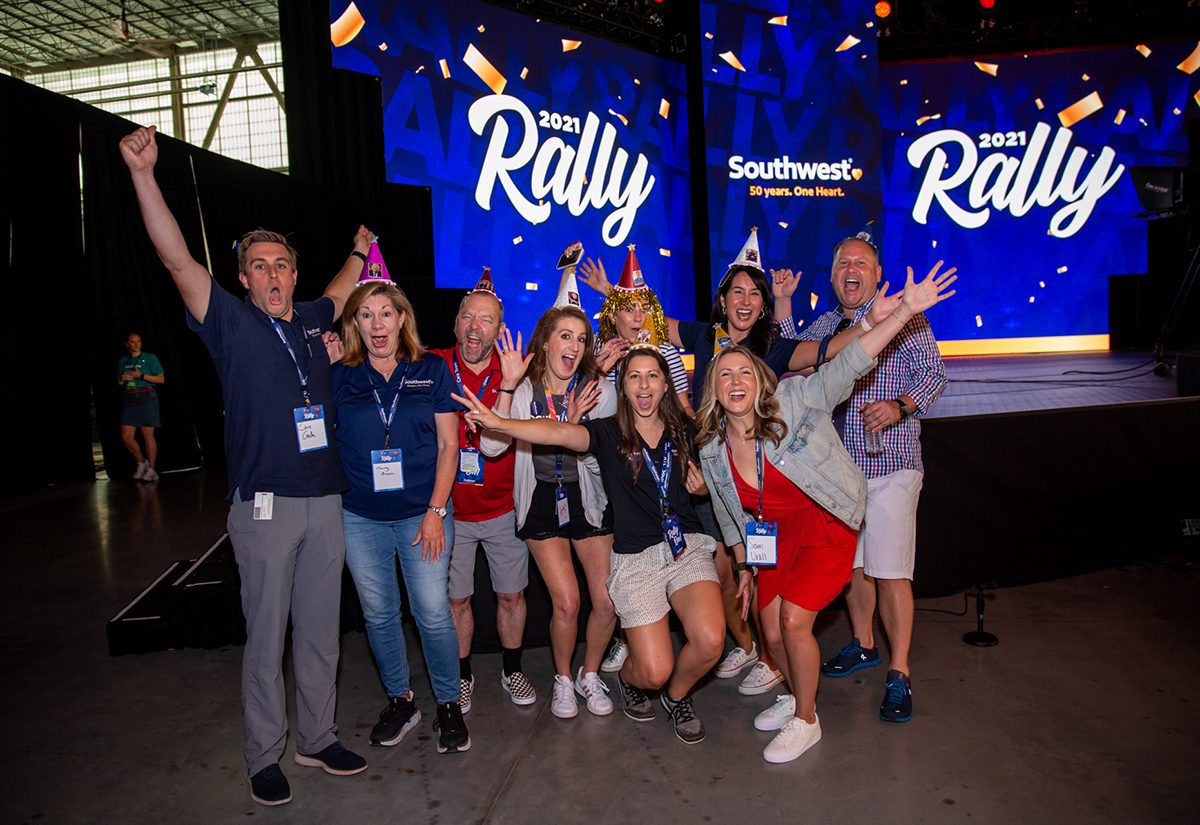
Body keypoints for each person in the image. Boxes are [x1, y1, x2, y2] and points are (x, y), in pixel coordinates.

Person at [119, 124, 367, 807]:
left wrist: (359, 246)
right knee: (267, 637)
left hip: (326, 501)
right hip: (263, 508)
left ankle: (317, 738)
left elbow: (345, 288)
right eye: (258, 265)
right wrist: (144, 176)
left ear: (293, 271)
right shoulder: (226, 321)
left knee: (320, 632)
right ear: (242, 277)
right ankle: (265, 752)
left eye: (281, 263)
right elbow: (175, 259)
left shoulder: (314, 318)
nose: (272, 274)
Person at [579, 228, 894, 697]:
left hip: (759, 480)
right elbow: (654, 322)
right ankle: (734, 644)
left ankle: (764, 655)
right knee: (727, 568)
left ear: (763, 306)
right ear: (723, 300)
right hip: (706, 468)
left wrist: (872, 325)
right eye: (736, 292)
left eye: (754, 294)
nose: (745, 301)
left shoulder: (775, 346)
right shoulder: (707, 336)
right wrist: (613, 295)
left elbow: (831, 354)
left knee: (750, 571)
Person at [696, 261, 957, 762]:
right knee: (770, 633)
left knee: (794, 622)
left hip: (826, 522)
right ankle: (796, 694)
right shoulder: (712, 447)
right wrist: (747, 564)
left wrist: (902, 312)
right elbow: (733, 514)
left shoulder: (795, 399)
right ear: (713, 387)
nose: (734, 380)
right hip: (774, 536)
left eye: (743, 372)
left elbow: (849, 362)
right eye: (723, 373)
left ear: (760, 380)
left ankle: (806, 720)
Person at [457, 346, 724, 744]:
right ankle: (632, 683)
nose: (644, 384)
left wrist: (703, 484)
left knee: (710, 641)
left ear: (666, 384)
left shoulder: (682, 430)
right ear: (624, 387)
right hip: (635, 558)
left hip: (685, 547)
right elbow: (555, 431)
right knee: (652, 670)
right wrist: (501, 422)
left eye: (653, 375)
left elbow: (725, 461)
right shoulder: (607, 432)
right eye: (634, 376)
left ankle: (677, 696)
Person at [781, 233, 950, 724]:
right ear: (833, 276)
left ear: (877, 275)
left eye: (861, 263)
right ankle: (864, 643)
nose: (851, 270)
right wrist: (786, 301)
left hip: (891, 465)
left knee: (891, 568)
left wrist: (900, 405)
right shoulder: (831, 323)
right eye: (841, 264)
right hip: (840, 475)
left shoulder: (906, 315)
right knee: (853, 567)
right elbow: (796, 355)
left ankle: (899, 671)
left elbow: (935, 376)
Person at [330, 273, 468, 754]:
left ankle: (448, 704)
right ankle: (401, 700)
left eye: (385, 313)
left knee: (432, 614)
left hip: (422, 515)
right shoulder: (341, 376)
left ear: (402, 318)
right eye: (365, 315)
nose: (376, 323)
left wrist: (435, 509)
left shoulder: (431, 370)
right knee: (379, 614)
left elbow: (451, 445)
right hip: (359, 516)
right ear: (355, 325)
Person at [478, 264, 618, 720]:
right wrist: (506, 383)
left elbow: (605, 458)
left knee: (606, 600)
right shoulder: (523, 388)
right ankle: (562, 677)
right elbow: (491, 445)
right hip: (541, 501)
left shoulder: (599, 391)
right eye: (565, 337)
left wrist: (576, 426)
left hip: (588, 500)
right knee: (568, 601)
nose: (574, 347)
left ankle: (589, 673)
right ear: (546, 341)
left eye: (581, 340)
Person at [429, 269, 536, 714]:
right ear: (456, 325)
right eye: (468, 317)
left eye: (486, 319)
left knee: (511, 595)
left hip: (503, 510)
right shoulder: (433, 365)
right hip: (450, 511)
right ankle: (463, 675)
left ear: (499, 328)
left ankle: (512, 668)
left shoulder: (514, 370)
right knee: (456, 600)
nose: (475, 327)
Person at [116, 331, 164, 481]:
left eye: (138, 341)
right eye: (132, 341)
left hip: (147, 396)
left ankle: (152, 470)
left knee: (147, 434)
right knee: (126, 436)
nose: (136, 344)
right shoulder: (123, 360)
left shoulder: (150, 358)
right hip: (130, 397)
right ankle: (142, 462)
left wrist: (141, 376)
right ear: (127, 344)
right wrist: (122, 380)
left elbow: (161, 379)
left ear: (141, 344)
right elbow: (119, 382)